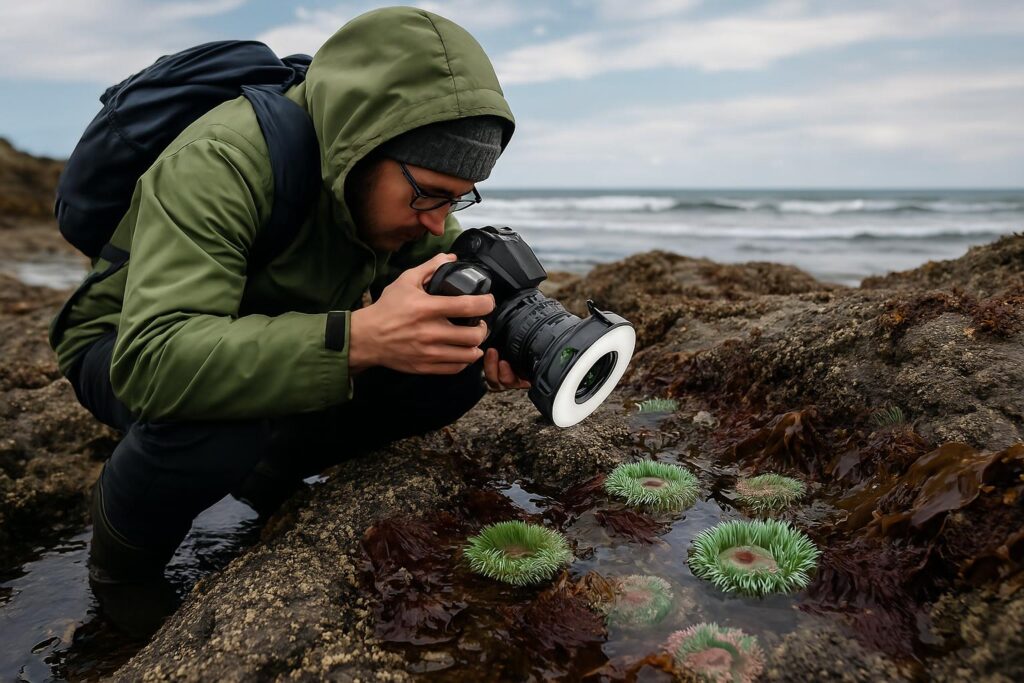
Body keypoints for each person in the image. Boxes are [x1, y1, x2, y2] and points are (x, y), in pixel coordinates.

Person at [48, 7, 526, 632]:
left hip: (258, 328)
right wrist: (359, 336)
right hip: (125, 341)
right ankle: (122, 568)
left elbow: (444, 266)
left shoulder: (396, 188)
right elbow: (153, 360)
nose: (439, 220)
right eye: (430, 193)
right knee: (224, 421)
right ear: (361, 150)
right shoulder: (221, 158)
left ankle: (268, 472)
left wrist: (503, 326)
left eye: (459, 196)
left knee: (447, 365)